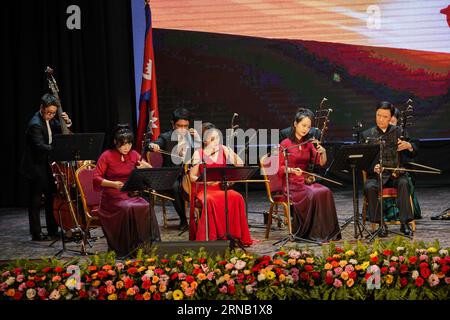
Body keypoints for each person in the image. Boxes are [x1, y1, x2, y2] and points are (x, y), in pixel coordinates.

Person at [93, 125, 160, 258]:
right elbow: (96, 178)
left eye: (129, 143)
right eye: (122, 144)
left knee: (146, 206)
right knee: (127, 208)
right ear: (115, 142)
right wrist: (112, 184)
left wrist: (146, 166)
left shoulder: (134, 154)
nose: (126, 147)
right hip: (112, 196)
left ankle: (146, 245)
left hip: (130, 194)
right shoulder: (106, 156)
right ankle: (127, 247)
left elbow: (150, 172)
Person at [278, 109, 341, 242]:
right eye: (303, 125)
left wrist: (323, 152)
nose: (306, 129)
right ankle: (309, 232)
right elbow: (279, 168)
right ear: (295, 124)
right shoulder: (285, 144)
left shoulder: (309, 143)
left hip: (305, 180)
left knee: (326, 191)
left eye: (308, 126)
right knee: (313, 194)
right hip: (291, 183)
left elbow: (321, 163)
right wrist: (292, 170)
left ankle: (325, 233)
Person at [188, 122, 252, 246]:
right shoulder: (199, 153)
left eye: (217, 138)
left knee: (236, 197)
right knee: (210, 200)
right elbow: (192, 176)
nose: (215, 141)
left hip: (220, 189)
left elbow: (240, 164)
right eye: (212, 139)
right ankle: (212, 236)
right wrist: (205, 180)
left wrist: (230, 152)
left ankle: (233, 234)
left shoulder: (223, 150)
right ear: (205, 141)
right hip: (205, 190)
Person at [21, 93, 72, 241]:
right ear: (41, 108)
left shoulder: (49, 119)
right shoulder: (35, 123)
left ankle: (52, 230)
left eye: (53, 113)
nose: (51, 115)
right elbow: (40, 146)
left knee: (51, 197)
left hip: (46, 165)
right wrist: (60, 149)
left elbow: (59, 127)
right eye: (48, 112)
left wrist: (66, 122)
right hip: (35, 166)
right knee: (35, 201)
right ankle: (36, 233)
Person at [360, 101, 415, 236]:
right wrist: (373, 168)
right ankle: (380, 224)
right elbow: (363, 161)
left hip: (395, 175)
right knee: (369, 186)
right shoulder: (367, 135)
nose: (380, 119)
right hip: (377, 176)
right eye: (378, 115)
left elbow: (411, 154)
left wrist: (408, 145)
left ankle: (404, 223)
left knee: (404, 182)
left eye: (385, 117)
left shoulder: (399, 132)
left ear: (391, 118)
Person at [146, 108, 201, 230]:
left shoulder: (192, 138)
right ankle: (183, 219)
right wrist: (152, 145)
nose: (182, 129)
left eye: (185, 126)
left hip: (188, 174)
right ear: (173, 124)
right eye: (179, 126)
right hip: (171, 176)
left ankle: (202, 219)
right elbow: (151, 145)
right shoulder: (165, 137)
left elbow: (204, 153)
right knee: (176, 187)